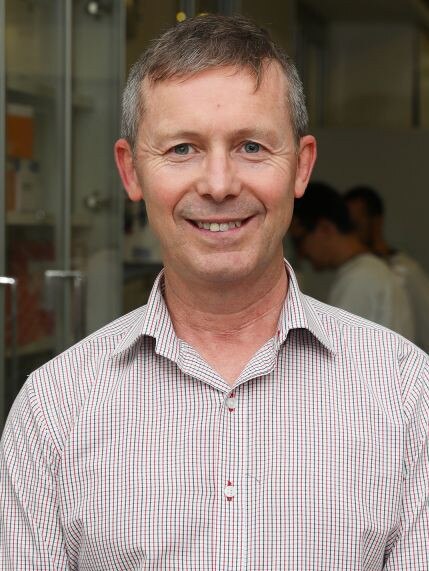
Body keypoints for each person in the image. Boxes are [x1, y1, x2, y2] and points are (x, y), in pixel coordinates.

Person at [0, 14, 428, 570]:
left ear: (301, 166)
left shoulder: (408, 398)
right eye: (182, 149)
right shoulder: (53, 410)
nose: (220, 184)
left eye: (251, 145)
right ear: (131, 172)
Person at [291, 182, 415, 339]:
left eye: (299, 241)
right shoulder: (369, 270)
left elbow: (335, 351)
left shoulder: (360, 278)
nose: (301, 254)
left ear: (325, 229)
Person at [345, 184, 429, 353]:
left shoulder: (407, 271)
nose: (349, 232)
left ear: (376, 221)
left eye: (355, 224)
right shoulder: (355, 270)